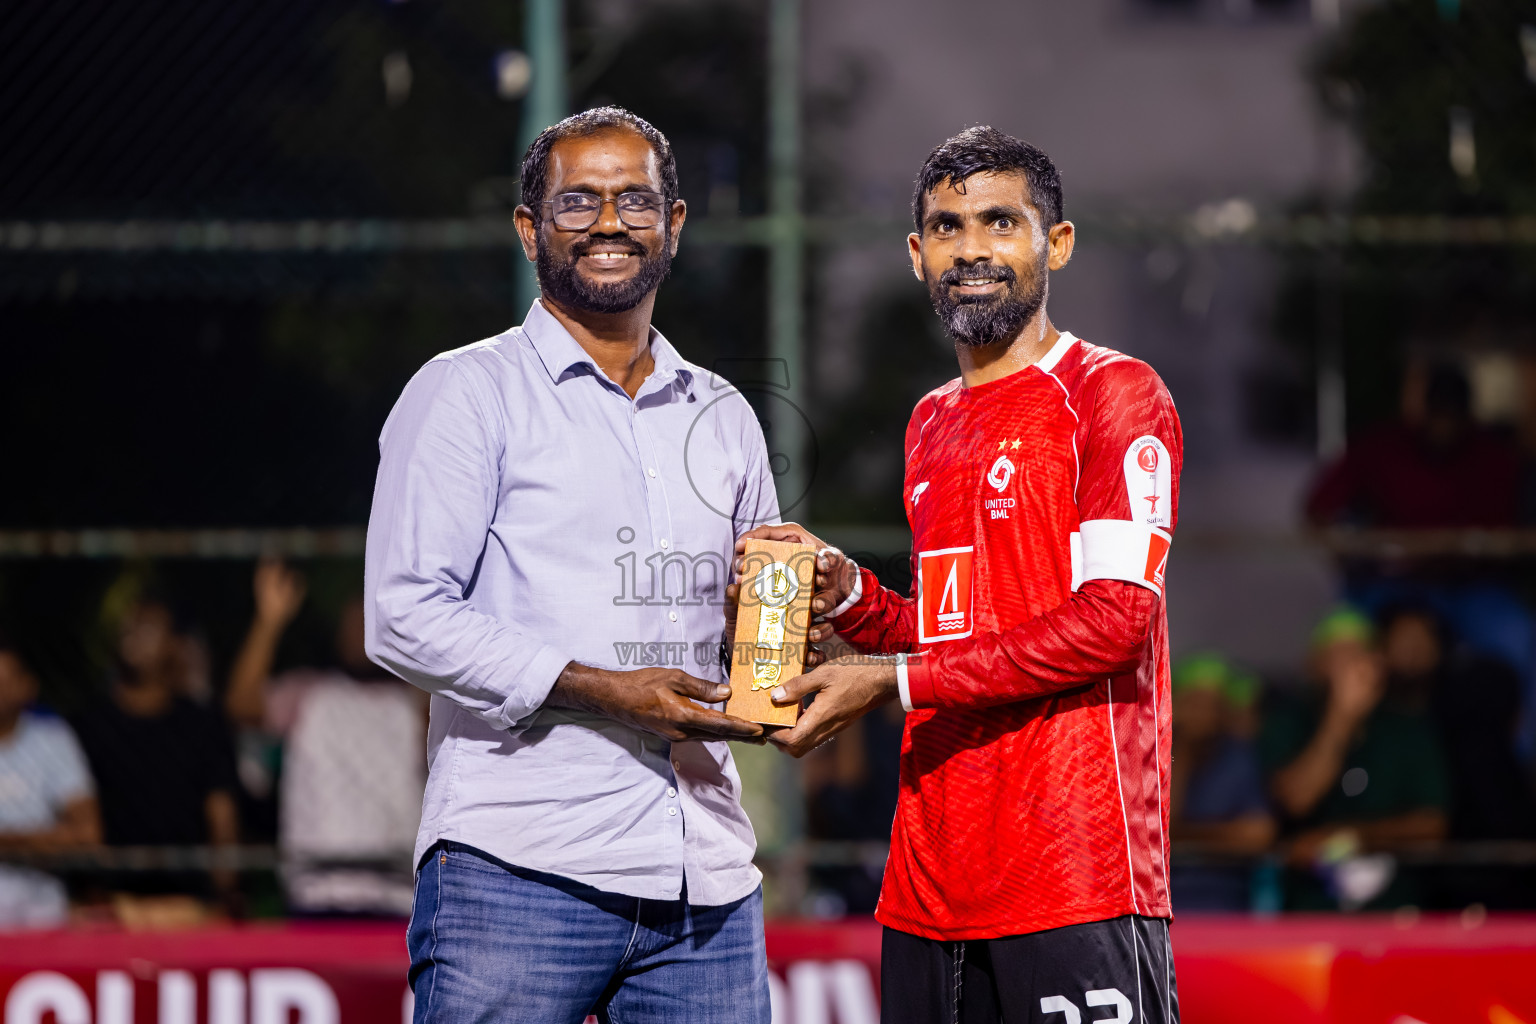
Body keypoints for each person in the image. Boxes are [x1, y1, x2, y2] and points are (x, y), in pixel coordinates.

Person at [741, 127, 1182, 1023]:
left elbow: (1111, 623)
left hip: (1074, 879)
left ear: (1054, 243)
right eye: (947, 227)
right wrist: (858, 604)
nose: (972, 249)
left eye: (999, 223)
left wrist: (887, 680)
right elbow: (960, 641)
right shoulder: (931, 421)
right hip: (928, 891)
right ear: (916, 255)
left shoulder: (1115, 393)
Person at [366, 107, 778, 1023]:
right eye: (577, 201)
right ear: (529, 231)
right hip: (520, 868)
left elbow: (760, 628)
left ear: (673, 225)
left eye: (636, 200)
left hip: (703, 874)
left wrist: (792, 621)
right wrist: (604, 688)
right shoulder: (467, 392)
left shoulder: (724, 414)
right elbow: (402, 615)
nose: (608, 223)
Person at [225, 561, 425, 915]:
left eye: (368, 616)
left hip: (396, 898)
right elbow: (241, 705)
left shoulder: (419, 701)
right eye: (351, 619)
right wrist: (270, 622)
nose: (359, 626)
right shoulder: (306, 694)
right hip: (317, 894)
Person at [1260, 607, 1448, 909]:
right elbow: (1297, 798)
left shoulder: (1407, 728)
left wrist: (1351, 836)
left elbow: (1432, 825)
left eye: (1358, 653)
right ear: (1314, 666)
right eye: (1336, 655)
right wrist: (1341, 718)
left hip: (1393, 909)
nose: (1349, 666)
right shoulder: (1288, 723)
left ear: (1378, 663)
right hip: (1311, 909)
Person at [72, 595, 240, 912]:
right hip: (111, 907)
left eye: (148, 627)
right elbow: (78, 819)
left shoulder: (203, 724)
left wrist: (224, 895)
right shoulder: (86, 726)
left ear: (175, 646)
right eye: (128, 627)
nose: (134, 634)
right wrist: (92, 896)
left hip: (188, 906)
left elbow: (221, 813)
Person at [0, 635, 101, 927]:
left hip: (41, 919)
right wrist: (44, 840)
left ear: (28, 686)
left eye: (5, 679)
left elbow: (87, 833)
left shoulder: (54, 740)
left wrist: (7, 842)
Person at [1166, 654, 1274, 912]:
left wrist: (1184, 838)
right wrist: (1183, 752)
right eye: (1194, 701)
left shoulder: (1239, 756)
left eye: (1212, 703)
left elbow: (1259, 835)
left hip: (1225, 902)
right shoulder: (1153, 754)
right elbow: (1157, 831)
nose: (1202, 712)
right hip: (1165, 904)